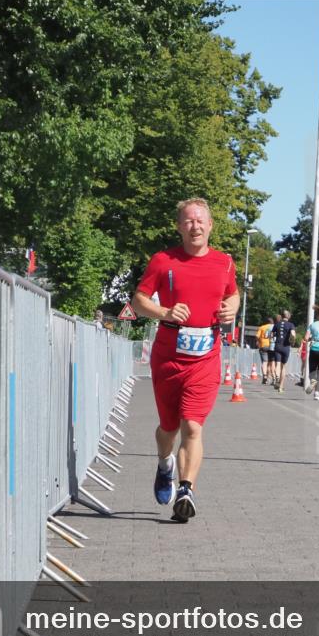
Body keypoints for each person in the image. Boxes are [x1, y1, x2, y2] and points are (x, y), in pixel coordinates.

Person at [132, 198, 238, 523]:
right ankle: (165, 464)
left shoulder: (225, 263)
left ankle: (186, 490)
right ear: (179, 227)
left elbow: (232, 293)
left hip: (206, 357)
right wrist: (165, 311)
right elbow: (138, 301)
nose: (195, 226)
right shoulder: (163, 260)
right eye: (189, 221)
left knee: (192, 425)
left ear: (211, 225)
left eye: (200, 220)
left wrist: (233, 307)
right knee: (168, 427)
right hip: (168, 357)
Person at [270, 310, 296, 393]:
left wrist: (274, 337)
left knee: (277, 364)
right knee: (283, 366)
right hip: (286, 347)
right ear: (289, 316)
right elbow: (293, 334)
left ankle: (277, 378)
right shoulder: (291, 325)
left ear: (282, 316)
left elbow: (271, 334)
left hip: (277, 346)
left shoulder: (276, 324)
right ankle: (280, 387)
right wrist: (292, 341)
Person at [256, 316, 273, 384]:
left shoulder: (262, 327)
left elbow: (257, 336)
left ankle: (265, 376)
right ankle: (270, 377)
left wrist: (258, 342)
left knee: (264, 362)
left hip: (263, 345)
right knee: (270, 363)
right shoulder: (273, 327)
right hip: (272, 346)